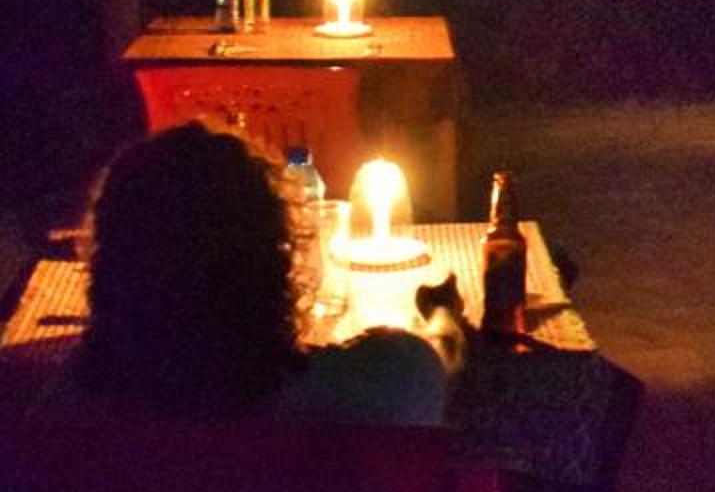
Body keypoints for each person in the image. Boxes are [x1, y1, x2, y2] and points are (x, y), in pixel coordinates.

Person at [72, 122, 454, 427]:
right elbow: (422, 366)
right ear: (276, 257)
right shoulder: (392, 378)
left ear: (110, 268)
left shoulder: (71, 408)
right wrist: (443, 319)